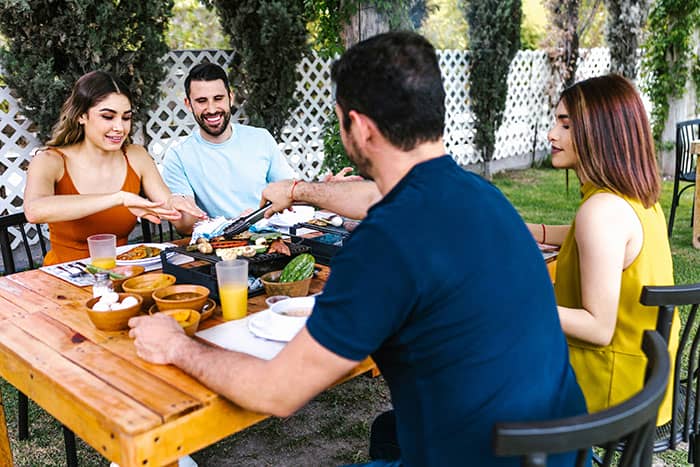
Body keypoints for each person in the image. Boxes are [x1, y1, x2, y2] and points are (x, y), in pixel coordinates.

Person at [129, 32, 586, 466]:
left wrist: (178, 345)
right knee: (388, 430)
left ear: (360, 127)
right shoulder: (482, 196)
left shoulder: (385, 243)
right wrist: (301, 191)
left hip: (475, 458)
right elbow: (379, 195)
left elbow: (277, 392)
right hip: (559, 449)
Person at [526, 74, 679, 424]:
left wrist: (518, 303)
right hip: (645, 385)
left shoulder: (601, 212)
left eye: (565, 125)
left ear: (600, 132)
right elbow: (592, 237)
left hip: (609, 397)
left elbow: (598, 328)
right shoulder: (635, 198)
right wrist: (533, 231)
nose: (552, 134)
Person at [23, 70, 206, 265]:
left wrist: (180, 207)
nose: (120, 127)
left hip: (123, 273)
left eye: (126, 118)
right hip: (65, 276)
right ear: (81, 116)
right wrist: (119, 198)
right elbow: (34, 210)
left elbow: (177, 217)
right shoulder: (50, 160)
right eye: (108, 117)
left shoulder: (135, 156)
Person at [161, 62, 296, 233]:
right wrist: (232, 224)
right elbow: (186, 226)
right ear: (188, 104)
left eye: (218, 98)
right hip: (219, 244)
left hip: (272, 234)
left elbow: (288, 193)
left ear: (230, 98)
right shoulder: (178, 155)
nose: (211, 109)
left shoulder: (261, 138)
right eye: (201, 101)